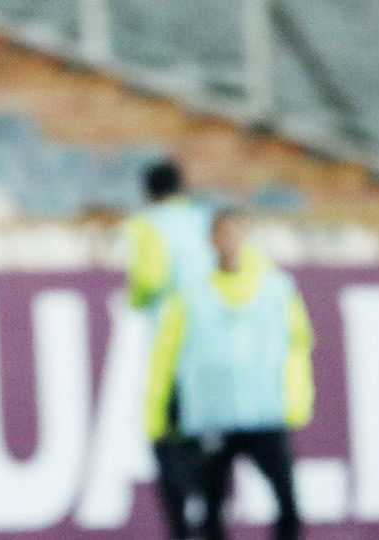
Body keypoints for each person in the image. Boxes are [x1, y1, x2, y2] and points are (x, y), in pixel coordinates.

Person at [144, 210, 314, 540]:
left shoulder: (276, 288)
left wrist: (297, 400)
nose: (229, 242)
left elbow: (298, 345)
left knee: (288, 504)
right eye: (222, 234)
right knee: (211, 509)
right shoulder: (189, 292)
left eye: (235, 233)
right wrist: (157, 413)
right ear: (211, 240)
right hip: (212, 416)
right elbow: (165, 355)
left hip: (264, 413)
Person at [127, 160, 215, 539]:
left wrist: (135, 298)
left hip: (172, 350)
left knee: (167, 441)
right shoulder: (206, 220)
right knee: (210, 447)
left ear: (149, 192)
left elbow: (150, 279)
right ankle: (212, 524)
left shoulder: (149, 225)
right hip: (211, 349)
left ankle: (181, 529)